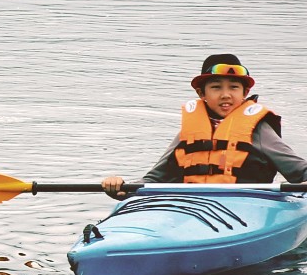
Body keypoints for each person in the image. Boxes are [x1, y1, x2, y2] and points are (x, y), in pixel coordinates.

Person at [102, 54, 306, 198]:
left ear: (244, 94)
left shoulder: (259, 131)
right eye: (216, 87)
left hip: (248, 205)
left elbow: (300, 172)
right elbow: (155, 178)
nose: (226, 95)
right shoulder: (190, 130)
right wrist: (122, 187)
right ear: (202, 94)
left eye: (234, 88)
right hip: (191, 206)